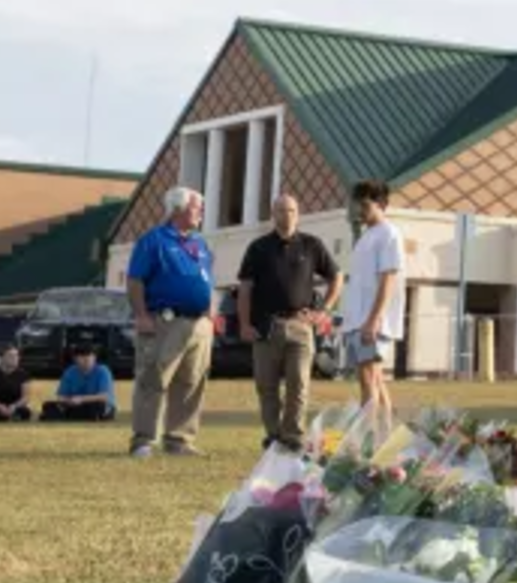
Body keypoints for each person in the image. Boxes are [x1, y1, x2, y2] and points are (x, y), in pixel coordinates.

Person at [237, 194, 343, 452]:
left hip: (300, 326)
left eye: (292, 210)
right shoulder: (258, 247)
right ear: (273, 215)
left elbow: (336, 276)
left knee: (299, 384)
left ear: (299, 214)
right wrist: (244, 324)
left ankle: (293, 435)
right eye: (282, 211)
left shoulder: (311, 245)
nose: (287, 215)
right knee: (267, 386)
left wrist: (324, 310)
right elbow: (245, 289)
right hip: (266, 326)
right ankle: (274, 436)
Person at [125, 186, 218, 459]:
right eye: (195, 207)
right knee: (153, 378)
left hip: (199, 324)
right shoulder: (153, 240)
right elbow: (135, 280)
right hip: (165, 320)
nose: (201, 212)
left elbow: (207, 279)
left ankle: (179, 439)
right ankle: (143, 440)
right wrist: (141, 315)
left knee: (192, 382)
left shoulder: (200, 243)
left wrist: (210, 311)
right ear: (177, 209)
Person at [338, 179, 404, 427]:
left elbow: (388, 278)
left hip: (371, 322)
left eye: (365, 205)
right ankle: (386, 435)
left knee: (368, 379)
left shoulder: (389, 233)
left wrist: (373, 320)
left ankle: (370, 438)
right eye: (357, 205)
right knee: (374, 379)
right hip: (357, 320)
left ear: (382, 204)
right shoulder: (366, 236)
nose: (359, 211)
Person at [42, 345, 117, 421]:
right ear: (75, 359)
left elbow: (104, 397)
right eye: (82, 356)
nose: (86, 359)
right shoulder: (70, 372)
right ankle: (71, 415)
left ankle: (65, 416)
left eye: (89, 356)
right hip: (75, 405)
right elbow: (61, 397)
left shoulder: (103, 371)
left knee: (97, 406)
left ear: (95, 358)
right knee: (47, 405)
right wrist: (70, 401)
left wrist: (82, 399)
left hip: (97, 405)